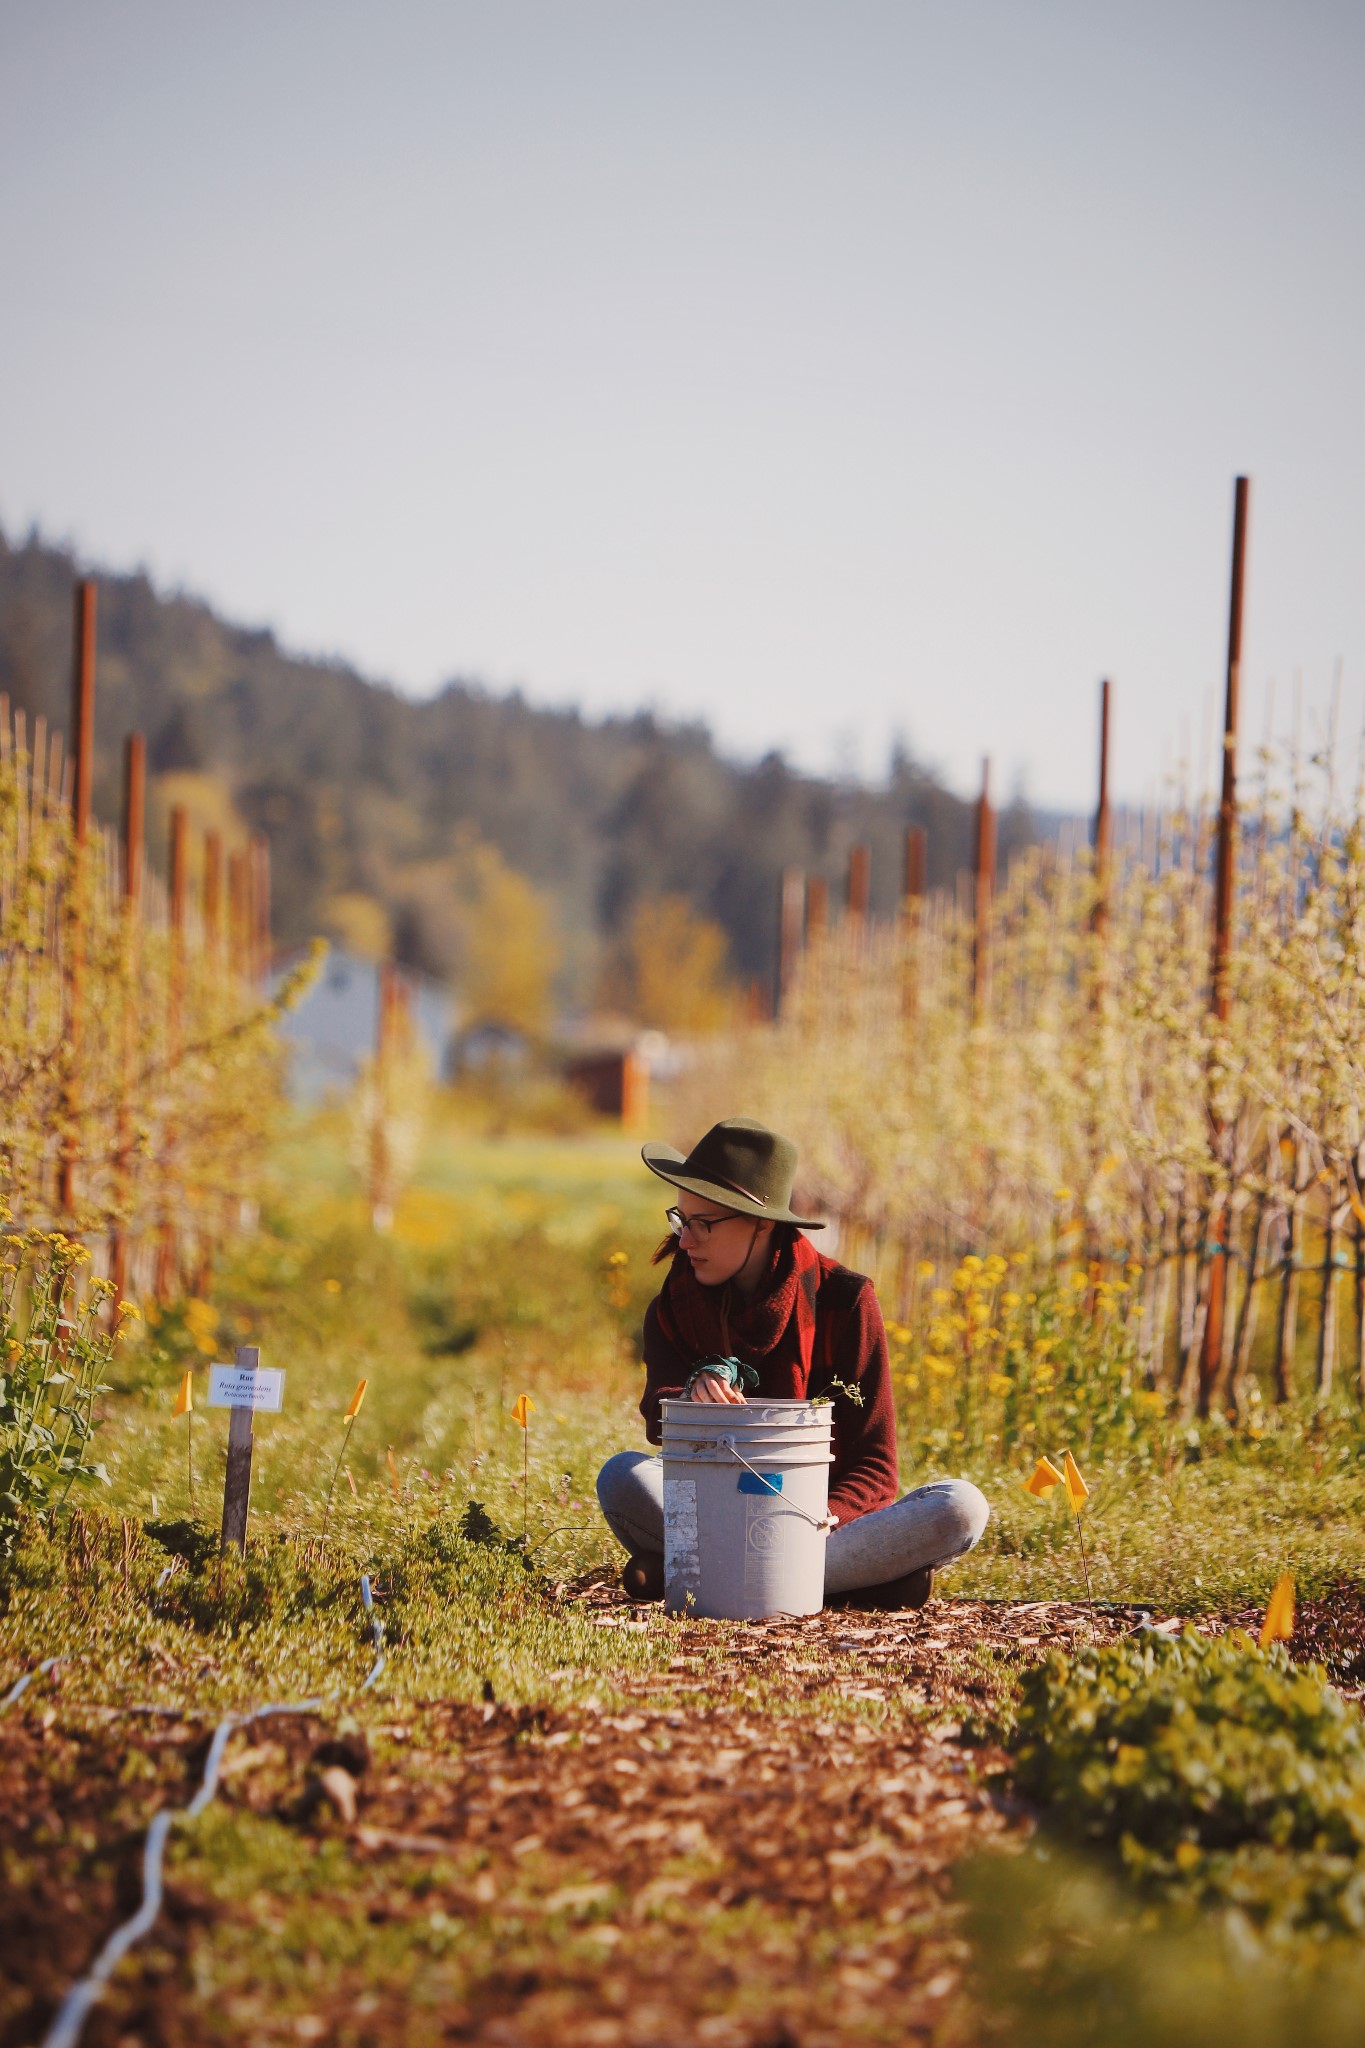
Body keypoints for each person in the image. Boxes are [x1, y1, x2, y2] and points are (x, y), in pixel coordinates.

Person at [596, 1116, 990, 1608]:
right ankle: (855, 1585)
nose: (684, 1241)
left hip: (816, 1525)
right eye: (680, 1220)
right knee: (621, 1477)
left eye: (704, 1224)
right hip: (717, 1512)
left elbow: (876, 1465)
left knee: (960, 1507)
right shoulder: (672, 1307)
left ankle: (704, 1574)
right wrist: (689, 1397)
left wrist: (816, 1518)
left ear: (762, 1223)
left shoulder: (846, 1301)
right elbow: (660, 1418)